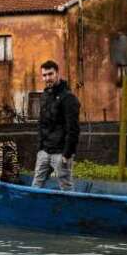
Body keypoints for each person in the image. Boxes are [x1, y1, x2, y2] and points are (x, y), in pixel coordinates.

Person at [31, 60, 81, 191]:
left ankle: (70, 211)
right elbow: (41, 123)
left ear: (57, 73)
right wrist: (40, 148)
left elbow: (73, 129)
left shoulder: (68, 98)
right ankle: (36, 211)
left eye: (50, 74)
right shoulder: (45, 96)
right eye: (44, 75)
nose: (47, 78)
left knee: (66, 188)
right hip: (44, 151)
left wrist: (67, 154)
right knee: (36, 187)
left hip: (61, 154)